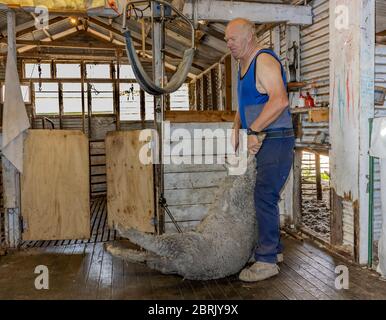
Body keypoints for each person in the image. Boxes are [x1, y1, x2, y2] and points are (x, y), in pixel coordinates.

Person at [225, 18, 295, 282]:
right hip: (262, 136)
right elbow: (244, 103)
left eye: (232, 38)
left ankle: (266, 262)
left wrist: (252, 131)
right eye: (226, 39)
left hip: (276, 139)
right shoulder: (243, 65)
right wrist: (236, 128)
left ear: (249, 36)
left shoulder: (264, 61)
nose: (228, 43)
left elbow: (279, 101)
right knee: (264, 195)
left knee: (264, 195)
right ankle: (273, 250)